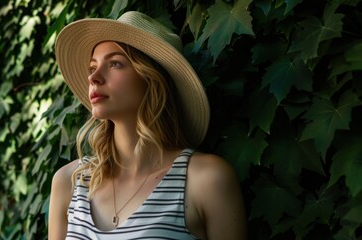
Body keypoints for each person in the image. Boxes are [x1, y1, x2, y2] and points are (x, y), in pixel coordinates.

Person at [49, 11, 246, 240]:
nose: (94, 77)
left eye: (114, 63)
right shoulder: (69, 183)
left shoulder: (206, 180)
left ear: (152, 79)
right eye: (92, 67)